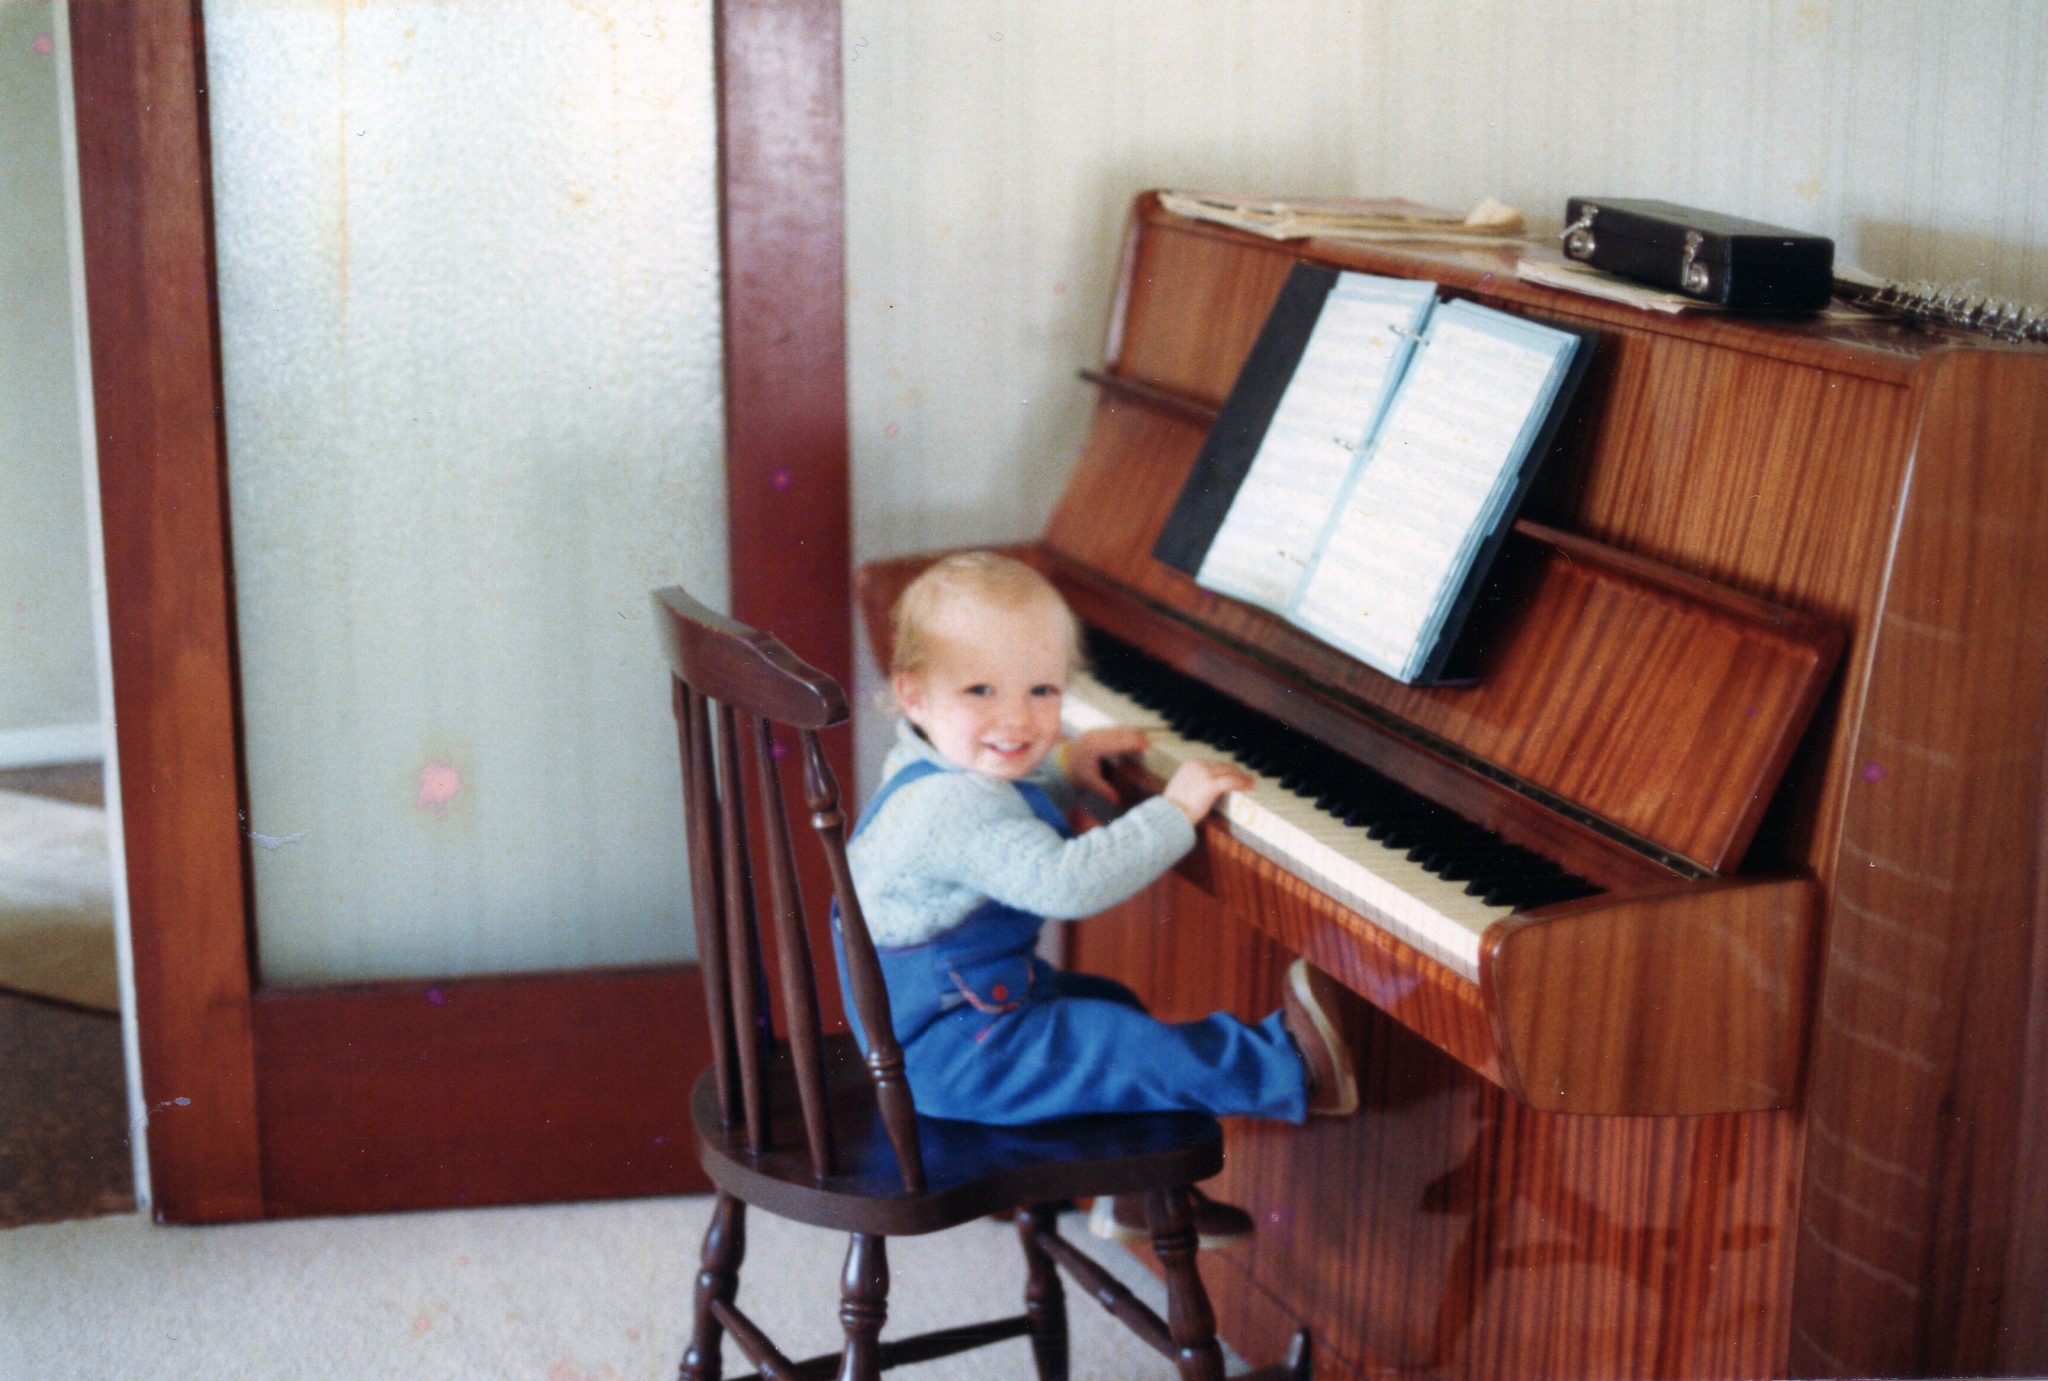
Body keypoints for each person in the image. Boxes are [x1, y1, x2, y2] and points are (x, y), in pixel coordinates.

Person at [835, 551, 1358, 1246]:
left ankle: (1135, 1191)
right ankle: (1291, 1070)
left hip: (951, 1020)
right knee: (1122, 1044)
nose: (1017, 718)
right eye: (981, 690)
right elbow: (1066, 881)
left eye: (1043, 690)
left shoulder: (930, 763)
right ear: (913, 694)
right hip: (954, 1052)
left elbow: (999, 828)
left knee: (1110, 1006)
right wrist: (1172, 813)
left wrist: (1061, 770)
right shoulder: (947, 809)